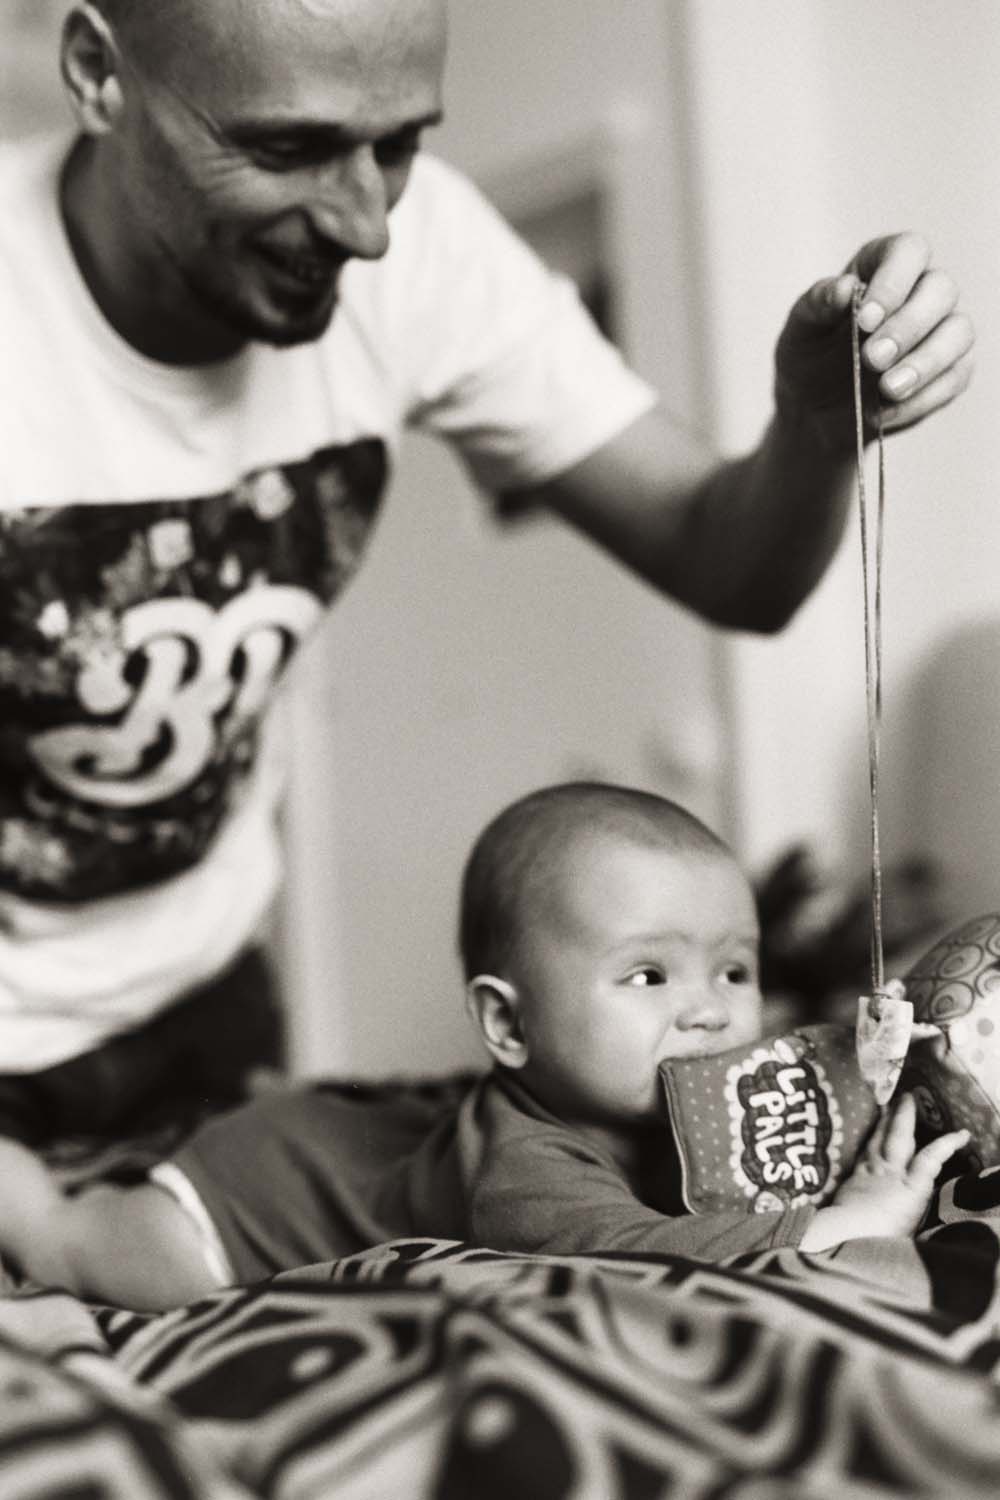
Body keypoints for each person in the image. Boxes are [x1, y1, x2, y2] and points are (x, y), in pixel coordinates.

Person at [0, 0, 976, 1140]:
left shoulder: (426, 256)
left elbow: (734, 569)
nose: (366, 226)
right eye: (287, 148)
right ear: (95, 72)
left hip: (209, 1004)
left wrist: (816, 425)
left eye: (400, 144)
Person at [0, 782, 969, 1309]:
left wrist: (865, 1080)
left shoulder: (691, 1098)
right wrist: (840, 1227)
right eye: (648, 976)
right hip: (235, 1206)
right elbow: (643, 1255)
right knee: (79, 1244)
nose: (709, 1013)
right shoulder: (525, 1169)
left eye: (733, 971)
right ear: (508, 1025)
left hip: (331, 1137)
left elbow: (796, 1137)